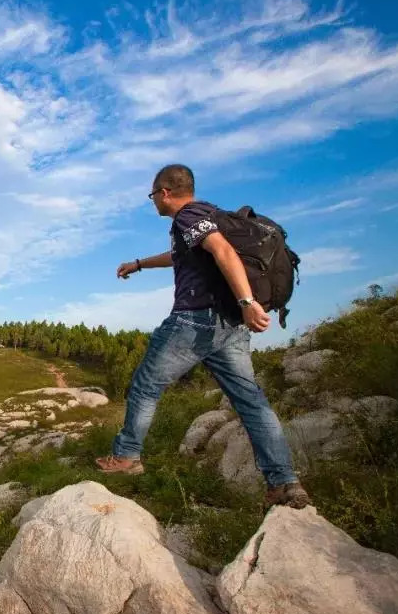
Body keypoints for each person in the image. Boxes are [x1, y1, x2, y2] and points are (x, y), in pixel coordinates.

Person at [94, 164, 310, 509]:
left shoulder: (187, 216)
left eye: (152, 195)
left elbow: (222, 251)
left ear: (165, 192)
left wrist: (247, 301)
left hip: (197, 320)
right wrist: (138, 264)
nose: (152, 202)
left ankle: (127, 456)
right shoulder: (208, 214)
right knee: (251, 402)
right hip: (230, 328)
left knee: (146, 385)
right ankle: (284, 483)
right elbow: (180, 256)